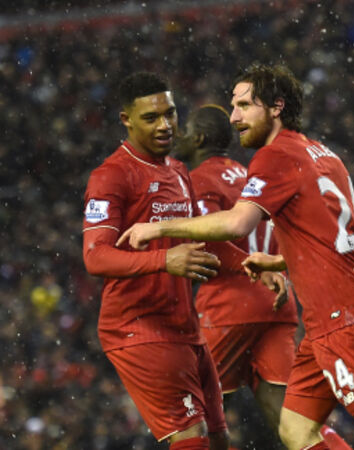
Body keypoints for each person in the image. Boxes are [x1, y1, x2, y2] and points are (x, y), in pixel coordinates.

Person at [116, 64, 354, 450]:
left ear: (277, 107)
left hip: (337, 314)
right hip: (331, 313)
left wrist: (160, 227)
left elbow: (237, 224)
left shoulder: (274, 156)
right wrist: (280, 262)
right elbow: (349, 232)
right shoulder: (323, 153)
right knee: (295, 430)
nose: (234, 117)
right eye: (234, 106)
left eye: (245, 106)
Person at [173, 104, 350, 450]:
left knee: (196, 416)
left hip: (228, 307)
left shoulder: (200, 180)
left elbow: (209, 241)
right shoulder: (250, 176)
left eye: (186, 131)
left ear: (199, 139)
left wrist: (249, 267)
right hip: (277, 305)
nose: (178, 137)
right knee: (290, 416)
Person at [82, 72, 242, 450]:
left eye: (169, 114)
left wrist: (254, 265)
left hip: (185, 327)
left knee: (219, 438)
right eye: (151, 118)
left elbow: (201, 239)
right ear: (126, 120)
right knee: (191, 437)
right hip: (138, 327)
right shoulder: (111, 176)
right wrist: (163, 259)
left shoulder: (179, 171)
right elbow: (95, 256)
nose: (165, 125)